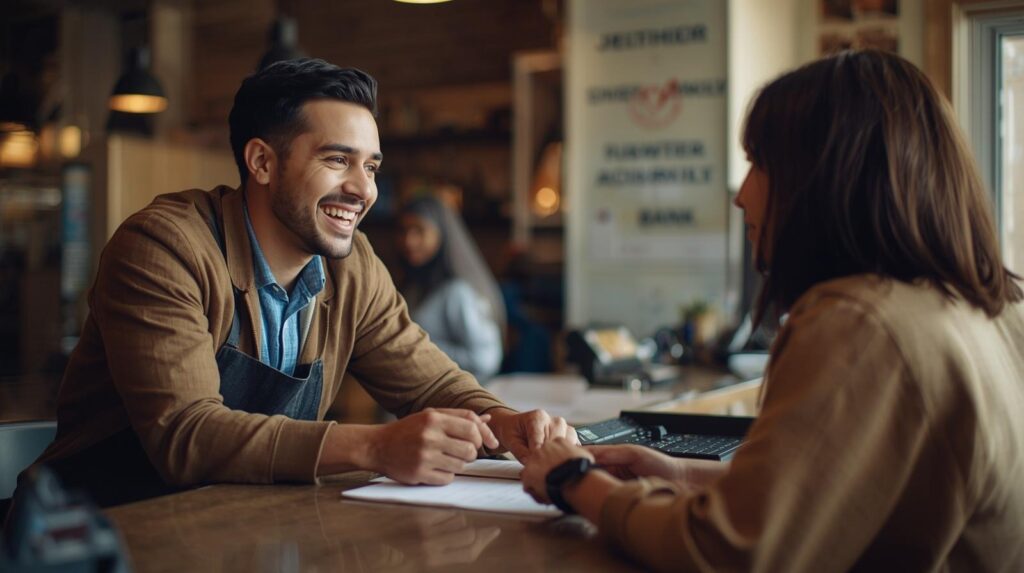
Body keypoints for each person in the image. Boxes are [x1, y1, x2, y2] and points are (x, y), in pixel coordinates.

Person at [520, 49, 1024, 571]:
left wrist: (573, 480)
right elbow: (840, 494)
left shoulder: (859, 322)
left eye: (759, 163)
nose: (742, 198)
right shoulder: (990, 308)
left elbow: (727, 552)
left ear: (826, 180)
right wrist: (682, 475)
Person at [21, 59, 574, 508]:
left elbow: (434, 386)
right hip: (88, 532)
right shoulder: (164, 248)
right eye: (338, 160)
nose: (363, 190)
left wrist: (509, 423)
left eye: (373, 167)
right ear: (261, 162)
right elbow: (184, 435)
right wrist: (376, 446)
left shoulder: (352, 264)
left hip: (231, 526)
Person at [396, 196, 505, 381]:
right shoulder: (415, 285)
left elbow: (486, 359)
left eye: (419, 230)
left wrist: (418, 348)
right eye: (404, 231)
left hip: (450, 401)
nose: (409, 240)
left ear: (441, 234)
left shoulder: (458, 292)